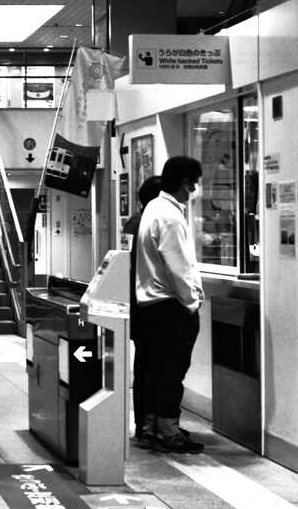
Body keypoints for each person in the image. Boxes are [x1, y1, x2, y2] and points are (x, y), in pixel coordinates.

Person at [136, 156, 205, 453]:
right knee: (171, 372)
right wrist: (191, 303)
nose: (196, 189)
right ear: (186, 183)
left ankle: (151, 426)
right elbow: (178, 267)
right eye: (195, 183)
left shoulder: (154, 208)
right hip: (170, 307)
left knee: (154, 369)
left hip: (150, 306)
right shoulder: (172, 217)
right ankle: (168, 431)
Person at [122, 175, 162, 446]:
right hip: (150, 305)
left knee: (143, 365)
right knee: (153, 367)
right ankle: (149, 425)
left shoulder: (133, 222)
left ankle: (142, 425)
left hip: (135, 304)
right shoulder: (149, 222)